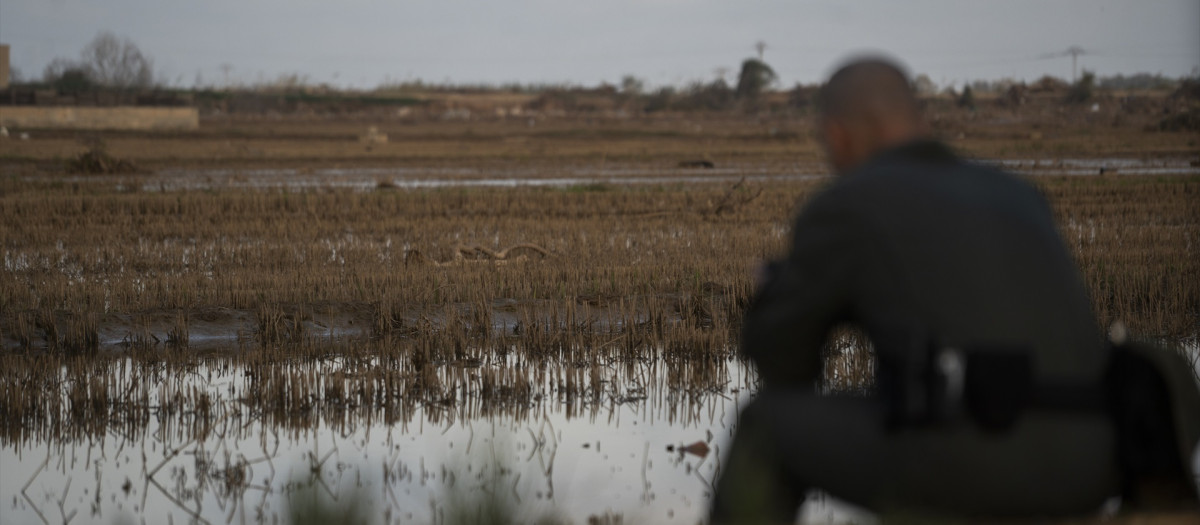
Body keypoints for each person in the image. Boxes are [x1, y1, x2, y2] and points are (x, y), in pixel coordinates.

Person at [709, 57, 1126, 522]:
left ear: (837, 133)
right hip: (1097, 463)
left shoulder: (847, 204)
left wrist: (786, 294)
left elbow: (784, 364)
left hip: (972, 467)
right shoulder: (1017, 193)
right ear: (920, 119)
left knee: (764, 426)